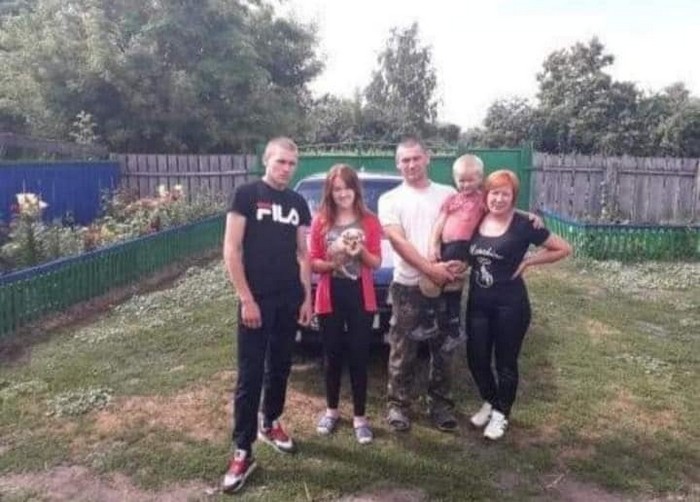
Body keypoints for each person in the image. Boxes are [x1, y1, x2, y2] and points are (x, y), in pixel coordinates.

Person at [221, 137, 313, 493]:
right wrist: (246, 299)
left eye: (292, 163)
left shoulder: (298, 203)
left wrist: (306, 298)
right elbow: (231, 250)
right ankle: (243, 450)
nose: (286, 169)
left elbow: (303, 254)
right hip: (256, 301)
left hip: (289, 299)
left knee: (280, 366)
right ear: (266, 161)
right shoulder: (246, 195)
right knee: (250, 374)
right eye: (280, 162)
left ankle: (270, 421)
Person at [465, 169, 571, 440]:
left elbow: (563, 248)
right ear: (486, 195)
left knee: (505, 363)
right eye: (494, 193)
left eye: (505, 194)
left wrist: (529, 261)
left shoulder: (524, 224)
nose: (499, 199)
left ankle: (501, 414)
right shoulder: (478, 218)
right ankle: (491, 401)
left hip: (510, 306)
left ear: (513, 197)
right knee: (476, 359)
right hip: (478, 304)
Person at [378, 138, 464, 433]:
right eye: (405, 160)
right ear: (397, 164)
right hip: (408, 286)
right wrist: (430, 270)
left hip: (447, 286)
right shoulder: (390, 199)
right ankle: (398, 405)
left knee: (445, 348)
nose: (411, 164)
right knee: (403, 349)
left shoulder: (449, 193)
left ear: (428, 158)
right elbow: (398, 241)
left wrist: (456, 266)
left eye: (416, 158)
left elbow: (467, 229)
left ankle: (440, 406)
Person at [308, 164, 382, 445]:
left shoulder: (369, 221)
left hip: (360, 296)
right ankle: (331, 411)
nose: (343, 193)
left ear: (355, 189)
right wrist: (333, 262)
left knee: (359, 356)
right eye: (337, 189)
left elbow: (376, 262)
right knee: (332, 356)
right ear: (330, 192)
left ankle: (360, 418)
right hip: (330, 296)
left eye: (347, 187)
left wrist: (359, 250)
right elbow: (313, 261)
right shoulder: (320, 221)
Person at [411, 155, 486, 354]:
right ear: (454, 179)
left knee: (449, 285)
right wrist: (433, 244)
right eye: (461, 180)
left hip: (461, 247)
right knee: (431, 282)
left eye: (470, 180)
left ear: (480, 178)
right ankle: (439, 325)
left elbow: (503, 211)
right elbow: (440, 222)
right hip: (445, 246)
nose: (465, 184)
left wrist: (528, 215)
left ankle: (447, 328)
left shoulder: (482, 200)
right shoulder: (452, 199)